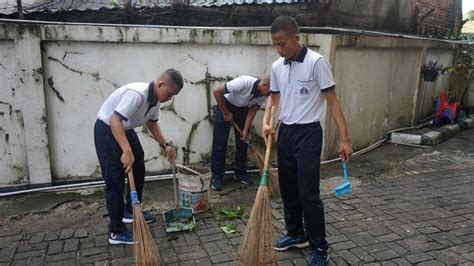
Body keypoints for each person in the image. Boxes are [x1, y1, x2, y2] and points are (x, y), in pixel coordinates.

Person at [262, 16, 353, 266]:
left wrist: (345, 140)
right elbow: (274, 99)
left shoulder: (316, 63)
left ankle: (319, 247)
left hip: (309, 134)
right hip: (286, 133)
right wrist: (267, 122)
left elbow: (333, 102)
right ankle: (295, 234)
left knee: (308, 193)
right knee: (288, 188)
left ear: (296, 38)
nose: (279, 50)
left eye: (282, 44)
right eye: (275, 45)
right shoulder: (278, 66)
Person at [94, 69, 182, 245]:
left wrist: (166, 145)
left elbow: (152, 124)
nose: (170, 98)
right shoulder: (137, 94)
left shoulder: (155, 100)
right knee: (115, 180)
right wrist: (126, 151)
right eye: (170, 93)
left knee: (138, 165)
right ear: (161, 84)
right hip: (107, 129)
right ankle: (116, 231)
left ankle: (130, 211)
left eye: (174, 96)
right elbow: (114, 120)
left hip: (124, 129)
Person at [211, 75, 271, 191]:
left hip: (243, 110)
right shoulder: (243, 82)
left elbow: (253, 109)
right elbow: (217, 92)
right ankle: (217, 177)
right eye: (269, 92)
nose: (269, 95)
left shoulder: (264, 93)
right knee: (220, 142)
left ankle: (240, 172)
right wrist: (226, 113)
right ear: (264, 85)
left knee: (243, 140)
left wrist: (245, 129)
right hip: (225, 104)